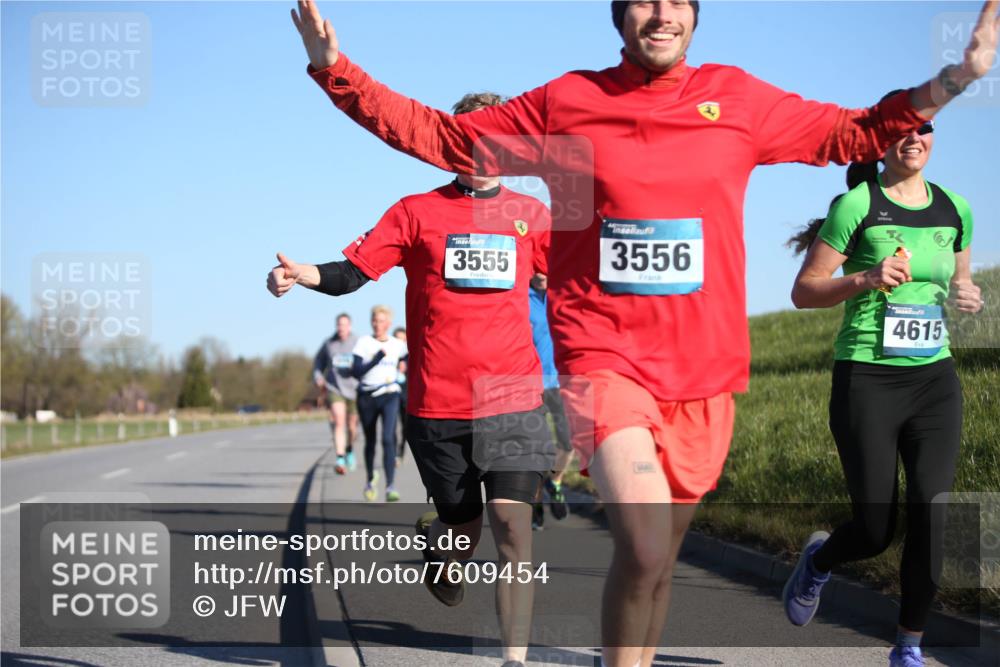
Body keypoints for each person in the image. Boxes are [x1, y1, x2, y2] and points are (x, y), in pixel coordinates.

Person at [290, 1, 999, 663]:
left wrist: (957, 76)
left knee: (658, 565)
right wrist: (336, 71)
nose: (660, 15)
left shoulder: (739, 100)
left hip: (703, 373)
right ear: (617, 15)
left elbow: (855, 130)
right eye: (642, 1)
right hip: (603, 359)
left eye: (676, 2)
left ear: (694, 15)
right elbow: (445, 137)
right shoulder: (570, 104)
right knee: (644, 537)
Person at [266, 91, 554, 667]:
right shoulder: (415, 211)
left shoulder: (535, 217)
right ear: (448, 143)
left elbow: (578, 280)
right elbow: (355, 272)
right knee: (462, 523)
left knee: (513, 529)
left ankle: (513, 659)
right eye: (468, 137)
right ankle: (443, 543)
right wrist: (304, 274)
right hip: (437, 403)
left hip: (513, 395)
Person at [782, 100, 984, 667]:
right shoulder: (857, 205)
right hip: (867, 377)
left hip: (934, 379)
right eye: (900, 130)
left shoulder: (956, 209)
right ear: (880, 143)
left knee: (933, 512)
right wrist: (866, 278)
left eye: (923, 128)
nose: (913, 138)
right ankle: (819, 562)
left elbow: (959, 283)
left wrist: (968, 296)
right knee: (875, 528)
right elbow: (805, 290)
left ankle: (908, 647)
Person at [351, 305, 407, 502]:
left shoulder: (397, 344)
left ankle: (390, 485)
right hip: (367, 396)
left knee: (388, 438)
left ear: (389, 323)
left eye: (382, 321)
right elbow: (356, 372)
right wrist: (376, 359)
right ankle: (370, 478)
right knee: (371, 441)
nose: (377, 324)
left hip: (390, 393)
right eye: (375, 320)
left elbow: (408, 359)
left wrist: (404, 365)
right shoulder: (364, 343)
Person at [529, 272, 573, 522]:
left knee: (567, 443)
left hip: (560, 382)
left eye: (546, 268)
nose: (542, 273)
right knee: (536, 448)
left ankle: (554, 483)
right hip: (530, 385)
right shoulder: (521, 298)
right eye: (537, 267)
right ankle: (535, 506)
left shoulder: (563, 293)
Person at [312, 313, 359, 474]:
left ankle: (350, 449)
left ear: (350, 326)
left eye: (344, 325)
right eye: (339, 325)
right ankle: (340, 458)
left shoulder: (357, 342)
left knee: (352, 427)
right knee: (339, 422)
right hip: (335, 388)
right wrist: (318, 377)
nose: (341, 328)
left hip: (354, 389)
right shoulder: (329, 344)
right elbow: (318, 362)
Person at [393, 326, 409, 466]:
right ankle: (393, 453)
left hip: (406, 396)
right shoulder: (389, 356)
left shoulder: (411, 357)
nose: (401, 343)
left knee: (404, 426)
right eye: (398, 339)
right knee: (391, 425)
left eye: (403, 340)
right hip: (391, 395)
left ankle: (400, 451)